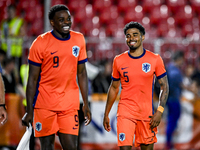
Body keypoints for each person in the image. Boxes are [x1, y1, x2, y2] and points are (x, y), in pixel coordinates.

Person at [21, 4, 91, 150]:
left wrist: (85, 102)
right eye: (61, 20)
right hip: (45, 105)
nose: (66, 23)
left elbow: (82, 73)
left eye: (68, 19)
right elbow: (32, 79)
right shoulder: (40, 43)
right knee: (47, 147)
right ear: (52, 22)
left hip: (69, 104)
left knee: (71, 147)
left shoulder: (78, 40)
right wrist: (29, 110)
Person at [103, 22, 169, 150]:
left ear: (142, 37)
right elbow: (114, 87)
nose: (131, 38)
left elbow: (164, 86)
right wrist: (106, 113)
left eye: (135, 35)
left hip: (147, 114)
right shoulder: (119, 60)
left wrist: (159, 111)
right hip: (125, 112)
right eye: (128, 36)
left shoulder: (155, 59)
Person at [165, 51, 184, 149]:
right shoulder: (174, 71)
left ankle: (169, 142)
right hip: (173, 99)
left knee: (172, 120)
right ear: (179, 59)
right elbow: (180, 84)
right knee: (172, 120)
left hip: (170, 98)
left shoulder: (169, 68)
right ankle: (168, 144)